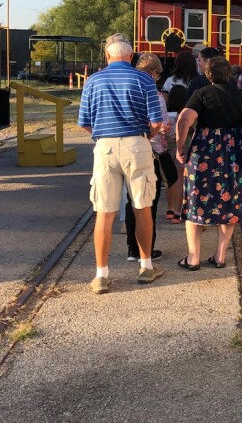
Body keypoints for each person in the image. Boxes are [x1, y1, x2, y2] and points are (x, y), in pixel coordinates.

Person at [78, 33, 164, 294]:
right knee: (142, 206)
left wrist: (104, 135)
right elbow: (157, 122)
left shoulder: (92, 81)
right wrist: (144, 138)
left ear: (108, 56)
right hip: (136, 144)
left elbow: (84, 122)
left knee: (104, 211)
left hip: (105, 146)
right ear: (131, 56)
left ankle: (101, 275)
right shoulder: (144, 80)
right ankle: (146, 267)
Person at [175, 56, 242, 271]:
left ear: (207, 74)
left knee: (196, 202)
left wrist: (180, 146)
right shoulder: (241, 96)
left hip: (204, 154)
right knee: (229, 204)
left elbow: (184, 120)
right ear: (228, 73)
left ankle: (193, 259)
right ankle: (220, 256)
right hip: (234, 156)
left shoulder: (201, 94)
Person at [124, 53, 178, 261]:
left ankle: (131, 249)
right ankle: (145, 249)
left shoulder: (127, 91)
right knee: (149, 203)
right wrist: (169, 127)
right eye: (158, 75)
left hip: (129, 150)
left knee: (131, 201)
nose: (158, 79)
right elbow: (162, 127)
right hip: (152, 152)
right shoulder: (155, 96)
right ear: (153, 73)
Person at [163, 84, 187, 223]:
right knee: (179, 180)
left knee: (169, 180)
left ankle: (170, 208)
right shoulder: (183, 115)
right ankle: (178, 211)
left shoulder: (167, 114)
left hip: (166, 149)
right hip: (180, 149)